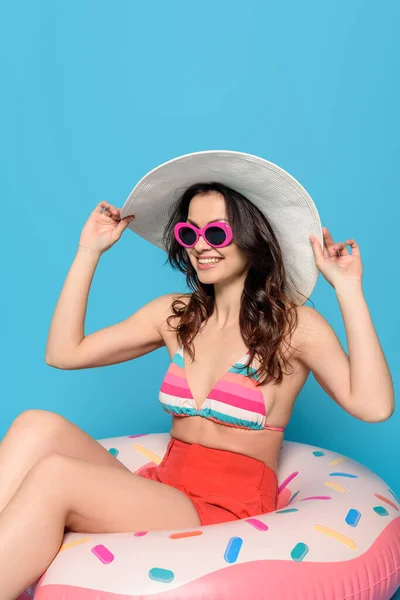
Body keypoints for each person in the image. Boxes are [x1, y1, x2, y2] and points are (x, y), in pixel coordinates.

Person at [0, 151, 394, 599]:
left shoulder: (294, 327)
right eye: (190, 233)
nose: (200, 245)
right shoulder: (177, 315)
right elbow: (63, 353)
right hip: (166, 489)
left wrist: (348, 291)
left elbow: (375, 405)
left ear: (250, 236)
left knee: (55, 476)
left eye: (217, 232)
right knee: (36, 425)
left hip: (224, 508)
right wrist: (88, 252)